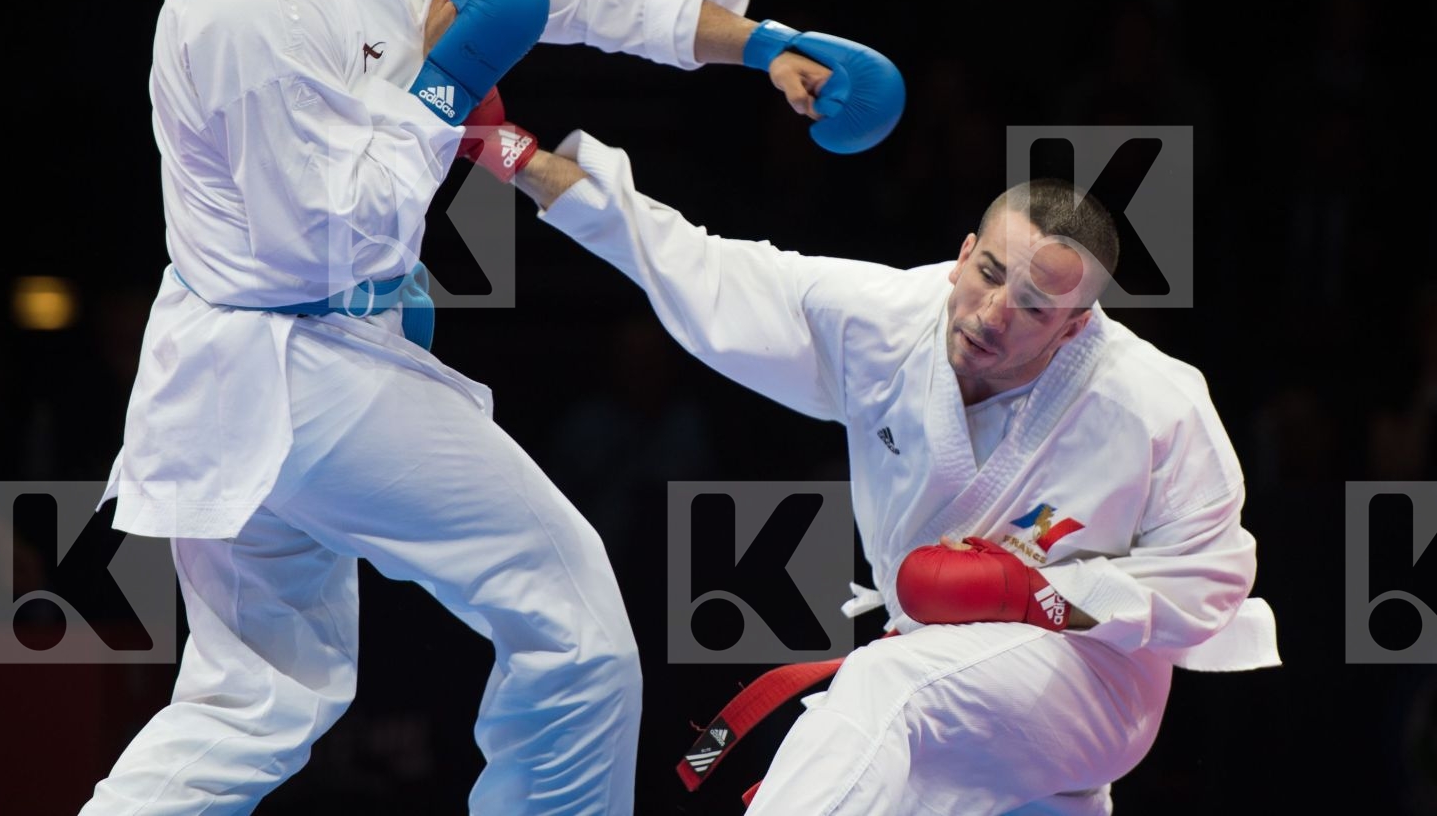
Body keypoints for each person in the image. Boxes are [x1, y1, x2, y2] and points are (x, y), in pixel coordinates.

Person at [79, 0, 894, 815]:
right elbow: (320, 237)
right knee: (572, 627)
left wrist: (760, 45)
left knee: (251, 701)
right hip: (293, 361)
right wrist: (444, 77)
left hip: (276, 368)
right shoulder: (242, 3)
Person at [502, 116, 1282, 816]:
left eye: (1036, 308)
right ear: (964, 256)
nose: (992, 314)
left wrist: (1043, 594)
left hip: (1093, 686)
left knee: (884, 693)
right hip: (955, 687)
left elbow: (1213, 580)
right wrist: (517, 157)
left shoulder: (1155, 404)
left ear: (1076, 326)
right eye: (988, 275)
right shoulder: (881, 323)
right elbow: (696, 264)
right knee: (883, 724)